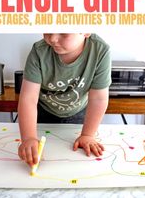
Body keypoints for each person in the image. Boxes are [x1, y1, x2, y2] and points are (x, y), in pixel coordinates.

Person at [18, 33, 111, 167]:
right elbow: (28, 98)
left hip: (78, 113)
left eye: (63, 33)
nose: (52, 39)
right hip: (42, 112)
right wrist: (29, 138)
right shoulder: (39, 51)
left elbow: (98, 99)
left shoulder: (100, 50)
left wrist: (88, 135)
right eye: (48, 30)